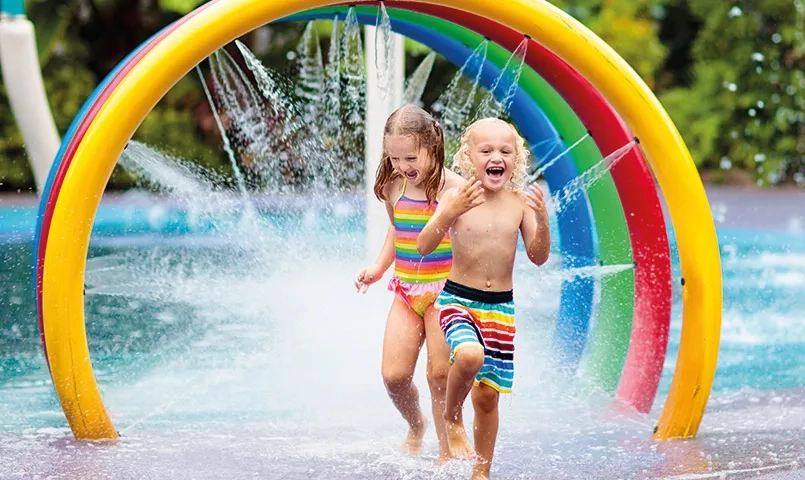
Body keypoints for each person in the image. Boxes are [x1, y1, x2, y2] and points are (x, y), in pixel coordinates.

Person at [416, 118, 551, 479]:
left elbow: (538, 257)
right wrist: (450, 212)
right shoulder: (456, 198)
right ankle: (451, 417)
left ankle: (482, 472)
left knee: (488, 398)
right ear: (469, 158)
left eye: (505, 151)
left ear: (516, 160)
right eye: (486, 150)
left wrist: (543, 220)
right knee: (470, 356)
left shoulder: (520, 204)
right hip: (458, 301)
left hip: (500, 309)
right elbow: (424, 246)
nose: (496, 157)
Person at [353, 104, 470, 461]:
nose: (403, 166)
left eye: (410, 157)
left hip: (445, 293)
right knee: (394, 376)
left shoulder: (456, 189)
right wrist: (379, 266)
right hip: (406, 291)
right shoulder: (393, 186)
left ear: (432, 145)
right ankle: (416, 423)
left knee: (439, 374)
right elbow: (397, 228)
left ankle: (447, 453)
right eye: (393, 158)